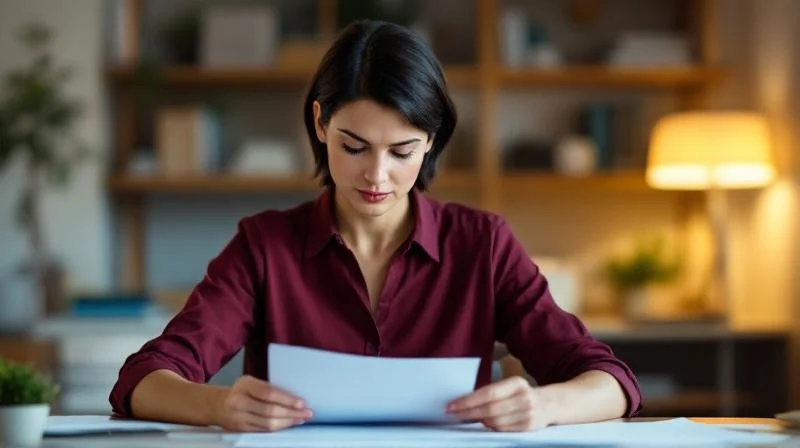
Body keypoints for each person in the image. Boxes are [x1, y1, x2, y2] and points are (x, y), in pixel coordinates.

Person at [109, 19, 642, 433]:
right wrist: (219, 405)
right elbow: (142, 380)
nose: (377, 175)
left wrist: (541, 404)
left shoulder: (483, 245)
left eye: (402, 151)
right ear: (320, 124)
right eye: (354, 146)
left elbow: (612, 383)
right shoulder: (265, 246)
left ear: (431, 139)